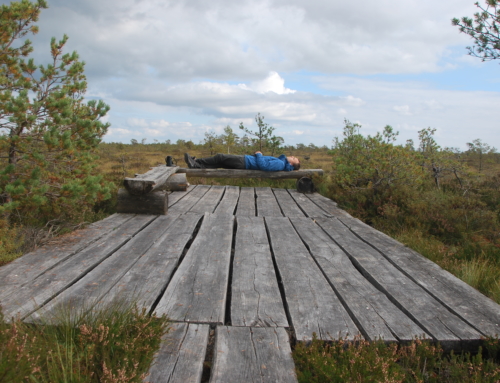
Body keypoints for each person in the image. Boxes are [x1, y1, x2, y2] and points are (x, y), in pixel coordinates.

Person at [184, 152, 300, 171]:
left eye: (294, 159)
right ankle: (197, 166)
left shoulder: (280, 164)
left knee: (220, 157)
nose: (293, 156)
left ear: (291, 164)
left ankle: (195, 162)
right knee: (220, 163)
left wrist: (259, 154)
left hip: (245, 162)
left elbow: (264, 166)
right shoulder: (281, 162)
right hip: (245, 162)